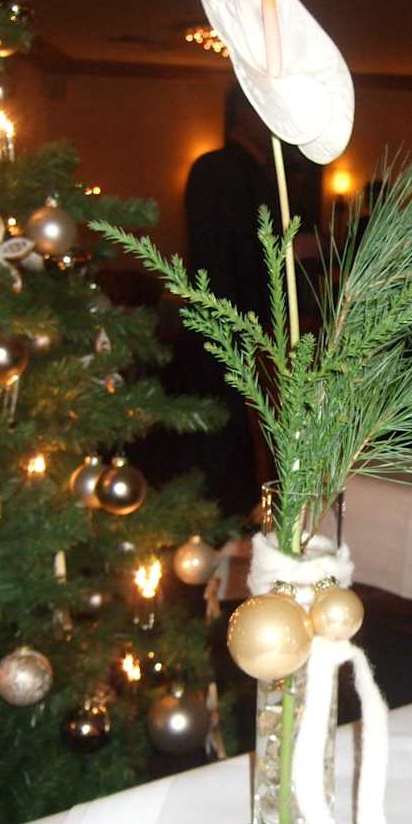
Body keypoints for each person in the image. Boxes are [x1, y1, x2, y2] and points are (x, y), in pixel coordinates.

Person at [167, 86, 277, 516]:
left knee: (220, 430)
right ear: (244, 115)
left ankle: (213, 516)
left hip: (217, 319)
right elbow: (240, 256)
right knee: (227, 429)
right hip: (234, 322)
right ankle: (224, 517)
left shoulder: (213, 169)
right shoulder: (234, 173)